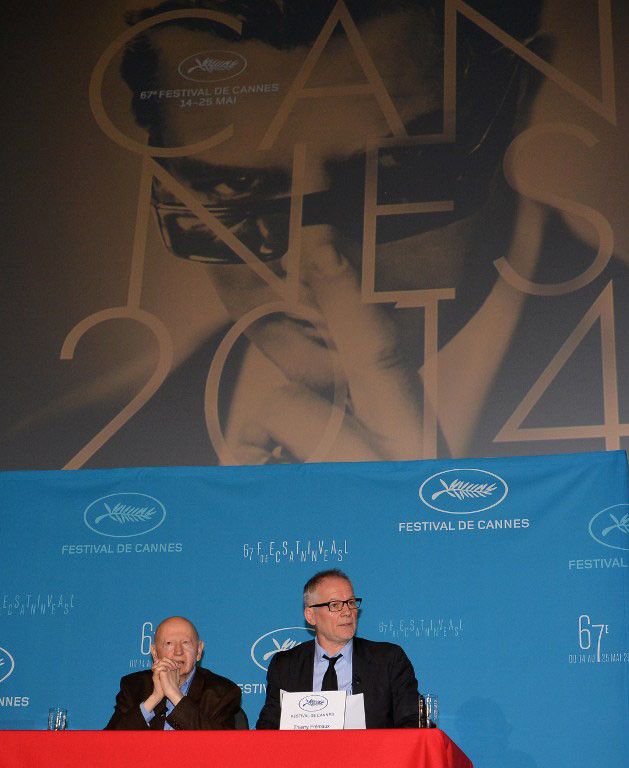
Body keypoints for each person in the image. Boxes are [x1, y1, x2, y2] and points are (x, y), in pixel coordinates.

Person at [256, 569, 420, 729]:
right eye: (335, 605)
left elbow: (412, 722)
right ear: (310, 615)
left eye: (350, 602)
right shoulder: (285, 665)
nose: (347, 611)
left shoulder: (388, 660)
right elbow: (268, 729)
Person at [105, 615, 242, 729]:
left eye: (186, 643)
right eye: (169, 643)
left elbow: (220, 746)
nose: (178, 652)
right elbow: (107, 744)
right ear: (154, 652)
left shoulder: (222, 692)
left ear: (199, 650)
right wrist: (154, 698)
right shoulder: (133, 686)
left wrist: (175, 695)